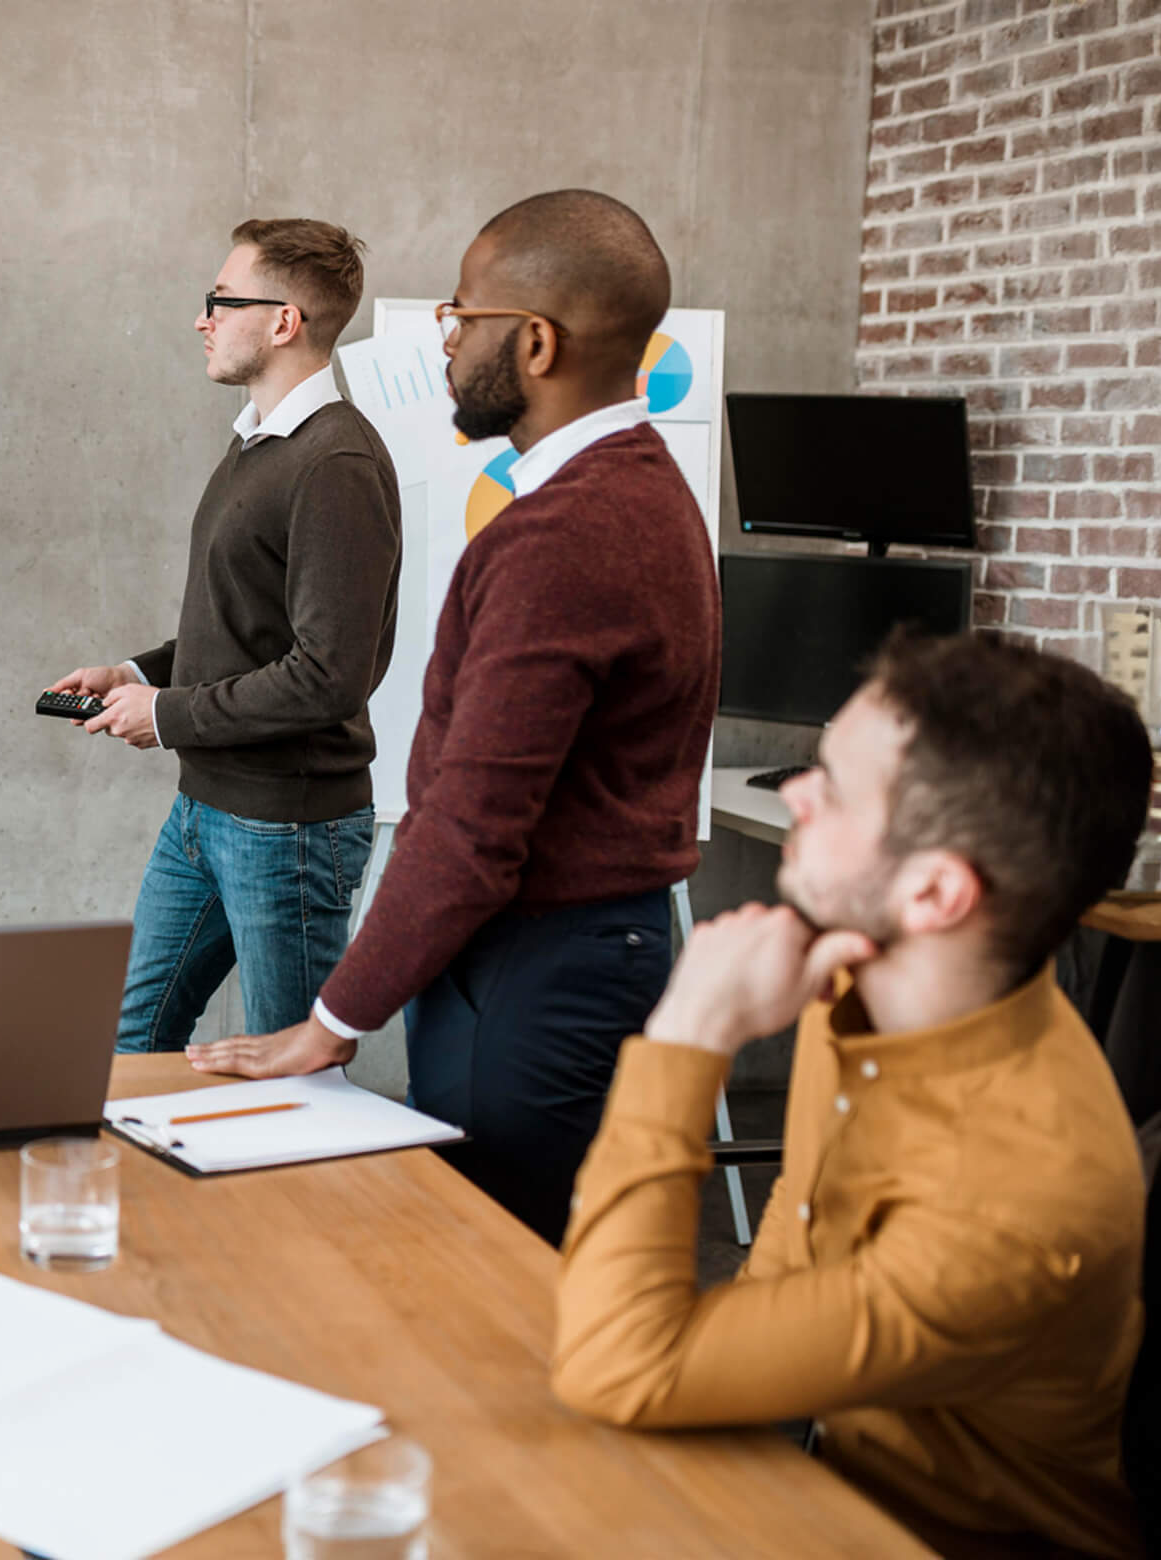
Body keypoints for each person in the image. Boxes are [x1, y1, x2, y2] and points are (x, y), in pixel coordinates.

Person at [187, 190, 718, 1245]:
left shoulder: (564, 534)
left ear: (532, 341)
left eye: (458, 317)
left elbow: (471, 823)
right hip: (573, 954)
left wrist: (331, 1023)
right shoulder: (642, 490)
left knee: (499, 1286)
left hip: (534, 973)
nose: (442, 341)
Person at [549, 630, 1150, 1560]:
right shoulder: (855, 983)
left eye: (829, 789)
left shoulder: (1020, 1204)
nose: (793, 795)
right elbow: (790, 1235)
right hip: (807, 1472)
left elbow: (619, 1364)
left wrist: (687, 1036)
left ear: (935, 894)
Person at [50, 218, 400, 1055]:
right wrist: (133, 673)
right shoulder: (258, 445)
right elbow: (244, 627)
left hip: (290, 830)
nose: (202, 319)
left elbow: (328, 674)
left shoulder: (335, 466)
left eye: (221, 300)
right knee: (130, 1042)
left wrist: (166, 715)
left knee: (292, 1072)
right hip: (207, 808)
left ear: (284, 321)